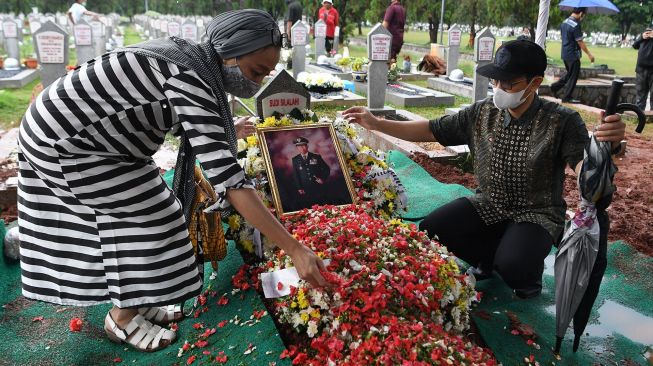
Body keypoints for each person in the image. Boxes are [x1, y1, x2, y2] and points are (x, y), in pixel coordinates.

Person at [17, 9, 327, 353]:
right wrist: (295, 249)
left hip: (91, 141)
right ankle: (121, 318)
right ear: (229, 51)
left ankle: (139, 296)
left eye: (266, 75)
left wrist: (226, 129)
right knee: (152, 216)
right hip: (67, 145)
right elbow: (230, 181)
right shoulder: (190, 75)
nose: (256, 83)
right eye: (255, 71)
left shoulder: (194, 60)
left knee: (158, 212)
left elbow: (166, 107)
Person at [343, 39, 625, 300]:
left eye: (509, 83)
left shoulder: (561, 121)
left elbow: (585, 173)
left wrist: (603, 151)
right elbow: (432, 129)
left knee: (514, 266)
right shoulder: (483, 112)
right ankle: (489, 259)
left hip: (536, 213)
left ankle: (526, 273)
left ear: (535, 82)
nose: (499, 88)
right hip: (489, 203)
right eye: (495, 80)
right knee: (432, 229)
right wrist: (377, 122)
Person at [550, 7, 595, 104]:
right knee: (574, 75)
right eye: (583, 15)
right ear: (581, 13)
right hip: (573, 54)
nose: (583, 18)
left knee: (570, 74)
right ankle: (567, 97)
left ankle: (555, 87)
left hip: (565, 53)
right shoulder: (575, 25)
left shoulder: (564, 22)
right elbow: (580, 42)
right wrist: (589, 54)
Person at [291, 137, 330, 209]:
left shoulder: (316, 157)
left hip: (318, 186)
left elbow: (326, 169)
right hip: (305, 187)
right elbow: (296, 175)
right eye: (299, 146)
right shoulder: (295, 159)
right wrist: (299, 187)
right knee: (309, 207)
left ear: (307, 146)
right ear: (297, 148)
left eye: (303, 146)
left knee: (321, 205)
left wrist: (322, 179)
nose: (301, 148)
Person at [632, 21, 653, 111]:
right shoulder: (644, 35)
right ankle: (639, 116)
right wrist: (642, 37)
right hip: (641, 69)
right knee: (640, 96)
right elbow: (635, 45)